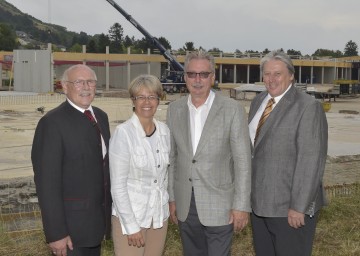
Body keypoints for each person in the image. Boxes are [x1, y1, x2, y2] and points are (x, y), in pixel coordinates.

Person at [166, 50, 252, 256]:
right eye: (192, 74)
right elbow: (172, 158)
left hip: (220, 204)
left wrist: (241, 205)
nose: (197, 80)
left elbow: (243, 161)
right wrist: (171, 198)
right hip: (186, 204)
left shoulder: (232, 109)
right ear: (184, 76)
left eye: (203, 74)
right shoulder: (174, 109)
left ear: (213, 77)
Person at [248, 50, 328, 256]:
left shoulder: (308, 107)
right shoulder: (258, 102)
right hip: (259, 205)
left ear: (291, 75)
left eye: (277, 74)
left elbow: (310, 161)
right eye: (267, 74)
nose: (271, 79)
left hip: (289, 209)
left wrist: (298, 207)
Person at [31, 64, 111, 256]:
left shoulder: (101, 116)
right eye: (78, 82)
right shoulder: (51, 123)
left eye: (90, 81)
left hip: (96, 226)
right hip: (70, 233)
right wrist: (56, 233)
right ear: (64, 87)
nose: (86, 86)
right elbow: (47, 184)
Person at [109, 74, 170, 256]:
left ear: (159, 100)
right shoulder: (124, 134)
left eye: (152, 97)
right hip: (132, 218)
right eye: (141, 97)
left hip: (158, 217)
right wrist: (131, 226)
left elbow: (164, 177)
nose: (147, 102)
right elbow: (118, 186)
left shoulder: (165, 132)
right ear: (133, 100)